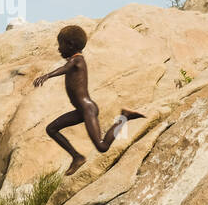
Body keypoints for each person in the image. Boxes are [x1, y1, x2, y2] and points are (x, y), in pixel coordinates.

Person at [34, 25, 144, 175]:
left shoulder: (77, 60)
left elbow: (65, 68)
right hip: (81, 110)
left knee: (102, 146)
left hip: (88, 109)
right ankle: (77, 157)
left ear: (70, 45)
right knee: (51, 129)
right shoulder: (74, 60)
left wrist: (47, 75)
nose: (59, 49)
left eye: (61, 44)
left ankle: (124, 117)